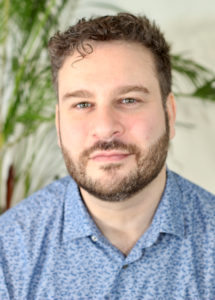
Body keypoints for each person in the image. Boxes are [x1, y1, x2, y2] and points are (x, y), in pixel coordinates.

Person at [0, 13, 214, 300]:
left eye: (129, 100)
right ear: (59, 123)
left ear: (169, 114)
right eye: (83, 104)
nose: (105, 128)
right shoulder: (8, 251)